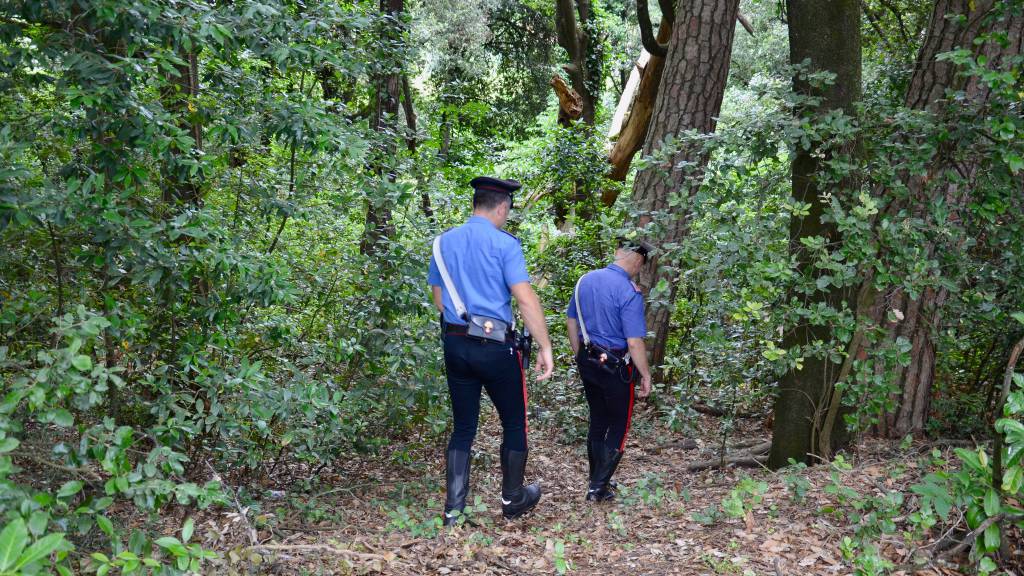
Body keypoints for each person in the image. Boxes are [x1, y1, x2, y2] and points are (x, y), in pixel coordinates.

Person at [428, 176, 555, 526]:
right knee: (514, 421)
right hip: (497, 349)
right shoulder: (505, 245)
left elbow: (440, 301)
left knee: (464, 427)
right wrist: (545, 346)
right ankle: (513, 499)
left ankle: (454, 510)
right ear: (501, 207)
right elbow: (525, 299)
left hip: (456, 345)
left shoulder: (443, 243)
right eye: (507, 212)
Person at [566, 238, 653, 502]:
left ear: (617, 253)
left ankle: (597, 480)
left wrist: (579, 354)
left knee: (598, 420)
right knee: (619, 424)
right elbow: (634, 342)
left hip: (588, 361)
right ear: (637, 261)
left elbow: (571, 320)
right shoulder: (628, 292)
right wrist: (646, 375)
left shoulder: (585, 281)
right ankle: (597, 488)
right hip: (616, 366)